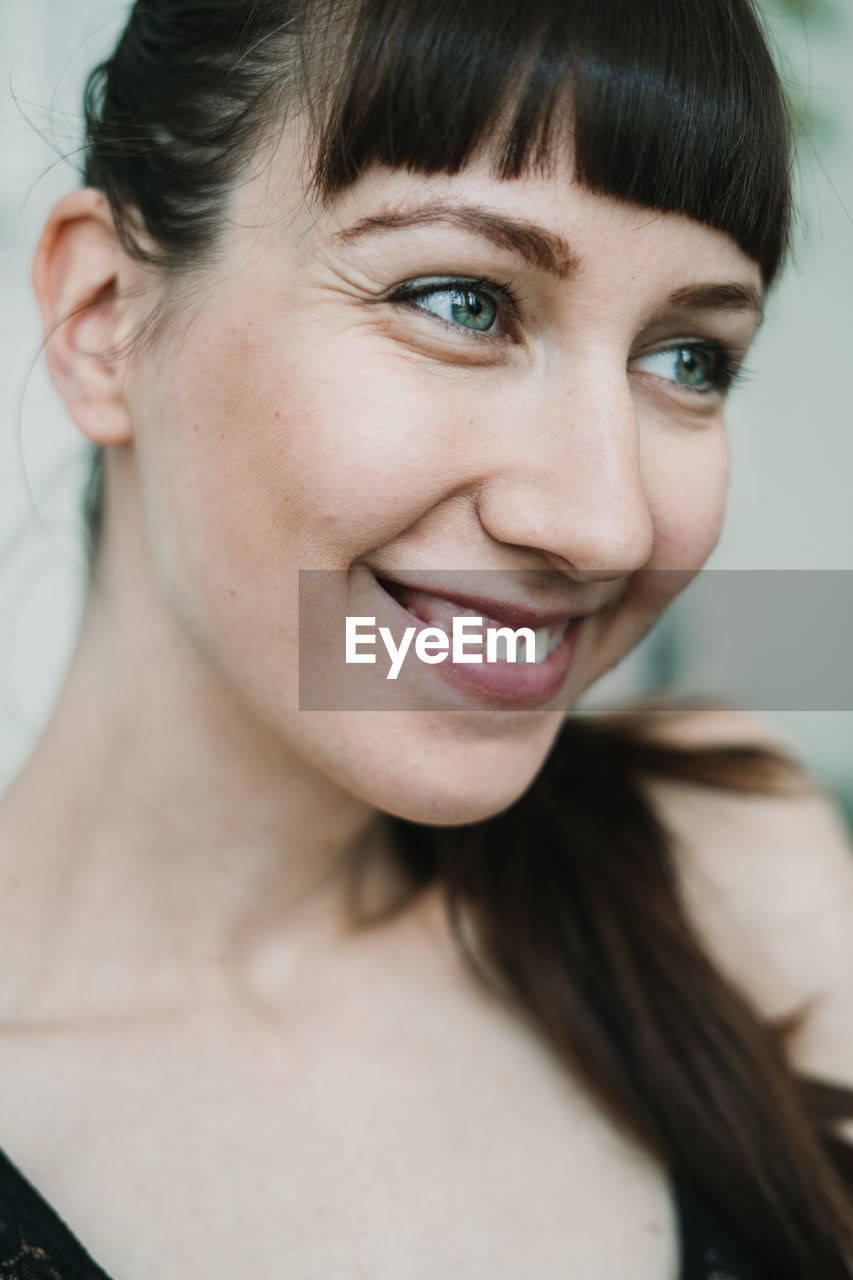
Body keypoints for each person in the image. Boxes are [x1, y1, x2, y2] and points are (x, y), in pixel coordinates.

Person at [0, 0, 851, 1276]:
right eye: (461, 300)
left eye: (687, 357)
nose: (605, 522)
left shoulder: (718, 868)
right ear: (104, 317)